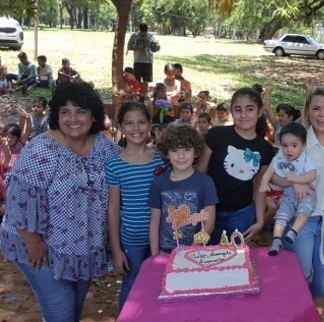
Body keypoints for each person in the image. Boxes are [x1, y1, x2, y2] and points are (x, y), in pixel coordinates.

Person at [0, 82, 121, 321]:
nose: (72, 119)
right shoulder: (41, 149)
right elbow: (17, 201)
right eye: (65, 112)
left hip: (83, 247)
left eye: (81, 111)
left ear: (93, 115)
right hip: (39, 245)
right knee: (60, 313)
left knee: (72, 312)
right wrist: (33, 242)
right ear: (57, 115)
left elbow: (127, 171)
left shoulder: (105, 147)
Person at [273, 85, 324, 298]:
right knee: (300, 277)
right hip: (302, 220)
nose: (322, 114)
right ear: (308, 110)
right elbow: (273, 175)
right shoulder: (298, 141)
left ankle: (306, 304)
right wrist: (294, 181)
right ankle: (301, 311)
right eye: (316, 108)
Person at [106, 102, 165, 310]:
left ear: (150, 124)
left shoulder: (162, 157)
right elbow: (113, 208)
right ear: (120, 126)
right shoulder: (114, 164)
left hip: (163, 235)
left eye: (141, 122)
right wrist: (116, 249)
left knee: (162, 282)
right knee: (132, 284)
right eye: (129, 123)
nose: (136, 128)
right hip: (132, 237)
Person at [198, 87, 274, 244]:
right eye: (238, 110)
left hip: (242, 213)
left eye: (250, 109)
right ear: (232, 111)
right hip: (209, 210)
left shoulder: (265, 149)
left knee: (235, 260)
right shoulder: (216, 135)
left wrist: (260, 220)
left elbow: (259, 186)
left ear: (259, 112)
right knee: (206, 257)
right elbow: (200, 172)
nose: (244, 115)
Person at [150, 125, 218, 254]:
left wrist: (192, 249)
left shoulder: (205, 182)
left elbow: (209, 224)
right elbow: (154, 222)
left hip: (196, 252)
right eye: (174, 150)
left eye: (187, 149)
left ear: (196, 151)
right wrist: (154, 255)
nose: (181, 155)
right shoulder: (158, 182)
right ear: (166, 153)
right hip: (165, 252)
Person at [259, 122, 316, 256]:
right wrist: (264, 182)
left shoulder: (306, 157)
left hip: (306, 194)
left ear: (303, 145)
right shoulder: (280, 156)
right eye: (285, 146)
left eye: (294, 146)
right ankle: (276, 240)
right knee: (281, 215)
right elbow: (271, 170)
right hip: (289, 194)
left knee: (304, 212)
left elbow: (312, 175)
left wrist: (295, 179)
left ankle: (293, 232)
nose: (289, 150)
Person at [127, 23, 160, 95]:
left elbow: (156, 47)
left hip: (148, 61)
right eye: (142, 32)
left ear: (147, 30)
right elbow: (129, 47)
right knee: (136, 80)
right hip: (138, 60)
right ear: (139, 30)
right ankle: (137, 95)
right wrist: (137, 48)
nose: (143, 34)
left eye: (144, 32)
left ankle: (144, 95)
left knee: (146, 81)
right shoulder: (134, 36)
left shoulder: (151, 36)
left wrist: (157, 47)